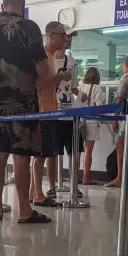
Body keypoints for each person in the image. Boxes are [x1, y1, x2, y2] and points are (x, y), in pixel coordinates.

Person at [0, 0, 53, 224]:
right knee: (22, 156)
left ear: (2, 6)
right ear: (23, 5)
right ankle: (24, 211)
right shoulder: (30, 28)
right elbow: (43, 70)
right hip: (24, 102)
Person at [30, 21, 73, 207]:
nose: (65, 39)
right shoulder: (41, 56)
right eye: (62, 35)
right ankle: (38, 194)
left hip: (50, 110)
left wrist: (58, 80)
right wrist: (59, 77)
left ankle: (33, 192)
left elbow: (48, 85)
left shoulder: (51, 57)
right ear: (50, 36)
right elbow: (38, 84)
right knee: (40, 154)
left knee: (44, 153)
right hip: (41, 111)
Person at [50, 33, 80, 196]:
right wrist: (59, 77)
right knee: (53, 153)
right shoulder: (47, 60)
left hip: (70, 112)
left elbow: (73, 86)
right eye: (65, 37)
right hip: (53, 113)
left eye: (70, 38)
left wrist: (82, 95)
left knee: (74, 151)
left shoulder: (71, 61)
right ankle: (52, 186)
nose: (68, 41)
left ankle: (74, 185)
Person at [105, 56, 128, 188]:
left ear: (125, 64)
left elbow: (119, 98)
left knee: (120, 146)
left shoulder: (126, 77)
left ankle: (120, 177)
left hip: (126, 118)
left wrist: (115, 118)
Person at [79, 67, 104, 185]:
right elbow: (100, 107)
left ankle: (75, 176)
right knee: (88, 151)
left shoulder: (80, 86)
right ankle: (86, 178)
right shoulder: (97, 88)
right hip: (92, 121)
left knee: (77, 151)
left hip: (79, 120)